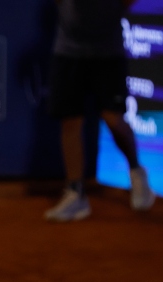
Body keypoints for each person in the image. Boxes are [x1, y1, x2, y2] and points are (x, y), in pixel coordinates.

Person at [45, 0, 156, 222]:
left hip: (107, 53)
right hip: (68, 51)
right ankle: (76, 193)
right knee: (70, 122)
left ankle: (137, 172)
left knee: (113, 119)